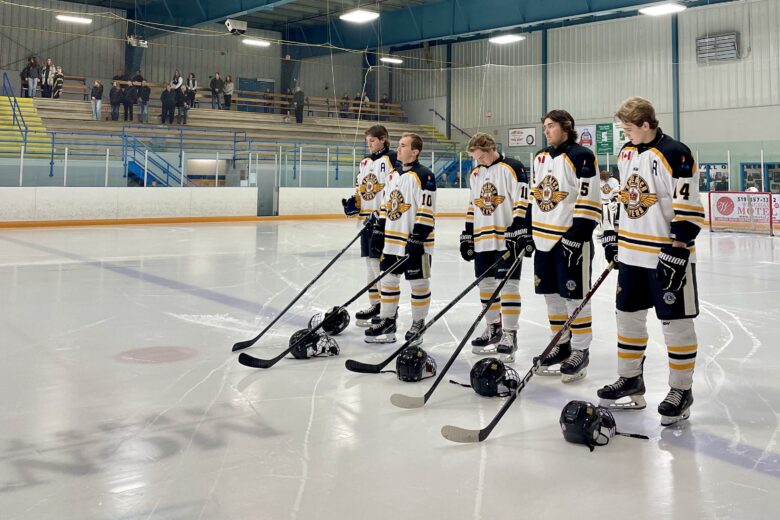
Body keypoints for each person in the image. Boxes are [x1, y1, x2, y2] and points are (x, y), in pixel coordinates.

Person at [597, 97, 705, 427]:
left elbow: (688, 204)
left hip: (667, 255)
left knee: (676, 324)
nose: (624, 134)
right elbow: (625, 196)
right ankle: (630, 380)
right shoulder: (627, 152)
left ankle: (680, 390)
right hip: (631, 255)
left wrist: (679, 245)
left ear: (646, 124)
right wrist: (614, 234)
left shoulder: (676, 153)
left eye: (628, 128)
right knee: (627, 319)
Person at [529, 109, 601, 383]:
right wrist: (527, 231)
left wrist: (578, 234)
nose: (546, 131)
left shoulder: (582, 156)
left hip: (570, 240)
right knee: (552, 296)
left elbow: (589, 199)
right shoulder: (540, 157)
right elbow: (536, 195)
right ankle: (560, 344)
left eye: (550, 126)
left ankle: (580, 349)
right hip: (543, 239)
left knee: (575, 297)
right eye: (545, 126)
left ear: (566, 127)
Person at [461, 133, 531, 362]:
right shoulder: (476, 173)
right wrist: (467, 234)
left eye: (480, 156)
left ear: (490, 148)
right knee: (486, 287)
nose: (478, 161)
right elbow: (473, 205)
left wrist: (520, 227)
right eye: (475, 157)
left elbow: (522, 200)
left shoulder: (513, 167)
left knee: (509, 286)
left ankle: (510, 332)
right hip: (483, 238)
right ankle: (493, 328)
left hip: (506, 238)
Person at [365, 133, 436, 346]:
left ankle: (418, 323)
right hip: (392, 241)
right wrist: (379, 230)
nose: (399, 149)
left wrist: (418, 238)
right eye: (399, 145)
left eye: (403, 145)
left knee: (419, 283)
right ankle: (387, 320)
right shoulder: (393, 175)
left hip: (416, 243)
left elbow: (426, 209)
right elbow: (387, 205)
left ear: (415, 151)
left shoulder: (425, 175)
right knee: (388, 281)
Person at [342, 125, 397, 327]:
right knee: (369, 264)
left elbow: (395, 189)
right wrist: (353, 202)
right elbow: (361, 188)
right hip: (366, 221)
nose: (370, 144)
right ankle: (375, 304)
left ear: (383, 139)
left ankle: (386, 306)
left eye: (372, 140)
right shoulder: (365, 162)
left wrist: (383, 214)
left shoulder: (392, 159)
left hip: (382, 221)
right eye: (368, 141)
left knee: (377, 264)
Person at [597, 169, 620, 238]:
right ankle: (602, 231)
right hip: (601, 201)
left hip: (611, 201)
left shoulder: (614, 181)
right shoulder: (598, 180)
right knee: (601, 217)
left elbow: (616, 191)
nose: (605, 180)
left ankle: (612, 230)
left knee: (612, 217)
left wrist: (614, 199)